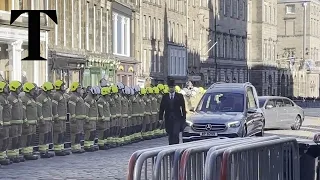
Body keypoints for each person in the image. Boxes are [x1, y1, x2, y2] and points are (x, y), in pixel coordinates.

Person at [159, 79, 186, 145]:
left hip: (177, 118)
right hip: (168, 118)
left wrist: (184, 118)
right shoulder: (165, 96)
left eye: (172, 87)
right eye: (170, 87)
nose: (171, 89)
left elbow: (183, 107)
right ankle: (170, 147)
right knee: (170, 134)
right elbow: (162, 108)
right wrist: (160, 118)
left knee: (176, 133)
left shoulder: (179, 96)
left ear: (174, 87)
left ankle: (176, 147)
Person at [20, 82, 39, 160]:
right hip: (28, 123)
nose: (34, 91)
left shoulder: (31, 99)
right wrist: (25, 121)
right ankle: (26, 152)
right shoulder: (24, 99)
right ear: (28, 90)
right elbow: (23, 111)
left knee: (32, 137)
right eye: (32, 90)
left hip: (33, 122)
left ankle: (30, 151)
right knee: (26, 137)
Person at [36, 82, 55, 158]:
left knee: (47, 136)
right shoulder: (40, 98)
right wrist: (41, 119)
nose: (51, 92)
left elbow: (49, 109)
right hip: (44, 121)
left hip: (49, 120)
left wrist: (52, 116)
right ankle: (42, 151)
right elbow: (39, 109)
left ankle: (46, 150)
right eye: (49, 90)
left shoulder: (48, 97)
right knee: (43, 136)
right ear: (46, 90)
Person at [7, 81, 25, 162]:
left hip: (19, 122)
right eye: (19, 88)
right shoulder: (10, 98)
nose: (20, 90)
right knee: (13, 139)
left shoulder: (18, 98)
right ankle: (11, 155)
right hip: (13, 123)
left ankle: (16, 154)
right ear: (14, 89)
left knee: (18, 139)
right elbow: (8, 111)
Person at [68, 82, 86, 154]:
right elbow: (72, 108)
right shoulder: (73, 97)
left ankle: (78, 146)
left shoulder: (79, 97)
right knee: (75, 133)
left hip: (80, 119)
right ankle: (74, 148)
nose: (81, 90)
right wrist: (73, 116)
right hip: (76, 119)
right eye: (79, 88)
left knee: (79, 133)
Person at [0, 81, 11, 165]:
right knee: (2, 140)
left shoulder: (4, 98)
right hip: (3, 124)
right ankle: (1, 157)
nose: (7, 89)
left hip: (7, 123)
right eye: (6, 88)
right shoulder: (1, 98)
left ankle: (3, 156)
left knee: (6, 140)